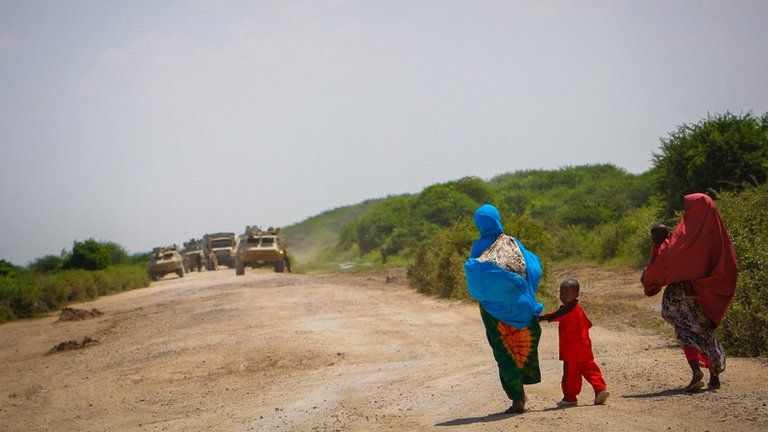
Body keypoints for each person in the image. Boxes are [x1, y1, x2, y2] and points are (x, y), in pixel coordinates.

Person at [641, 193, 737, 392]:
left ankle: (695, 371)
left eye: (687, 209)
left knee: (685, 330)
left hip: (680, 293)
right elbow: (728, 266)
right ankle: (715, 375)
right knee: (705, 331)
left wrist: (649, 276)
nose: (685, 213)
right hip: (706, 294)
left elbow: (665, 263)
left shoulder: (682, 237)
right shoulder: (718, 236)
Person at [464, 204, 544, 414]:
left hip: (492, 311)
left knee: (503, 350)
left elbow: (476, 279)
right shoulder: (513, 243)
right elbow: (532, 266)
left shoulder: (479, 247)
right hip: (521, 305)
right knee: (521, 343)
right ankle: (523, 384)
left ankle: (518, 398)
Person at [540, 279, 609, 407]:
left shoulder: (568, 309)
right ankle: (600, 389)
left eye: (567, 292)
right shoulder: (578, 309)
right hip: (584, 347)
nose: (563, 295)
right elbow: (588, 324)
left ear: (577, 294)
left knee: (571, 375)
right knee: (590, 369)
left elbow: (553, 316)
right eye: (561, 292)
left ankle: (569, 397)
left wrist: (538, 318)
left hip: (572, 350)